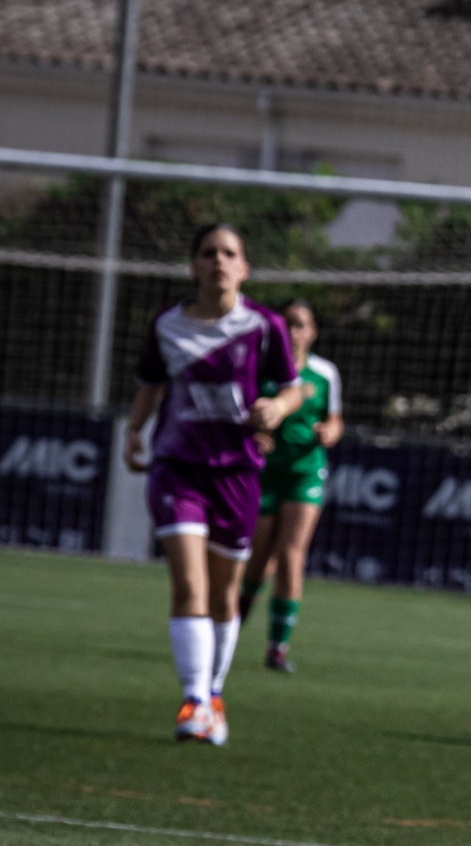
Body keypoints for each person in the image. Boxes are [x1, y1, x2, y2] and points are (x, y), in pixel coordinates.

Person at [125, 224, 302, 745]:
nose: (218, 261)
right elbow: (149, 384)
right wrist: (134, 431)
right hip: (178, 468)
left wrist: (277, 407)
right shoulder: (167, 325)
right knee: (189, 584)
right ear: (193, 266)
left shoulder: (264, 326)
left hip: (237, 473)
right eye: (208, 253)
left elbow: (292, 389)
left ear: (244, 268)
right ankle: (195, 700)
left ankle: (214, 694)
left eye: (229, 253)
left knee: (226, 596)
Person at [239, 300, 344, 672]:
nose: (295, 331)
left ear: (313, 333)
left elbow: (336, 420)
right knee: (258, 561)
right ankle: (230, 630)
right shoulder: (261, 367)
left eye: (302, 325)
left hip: (305, 473)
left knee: (291, 556)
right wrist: (254, 435)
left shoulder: (324, 373)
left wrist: (329, 432)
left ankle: (277, 647)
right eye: (289, 324)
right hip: (265, 473)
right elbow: (243, 415)